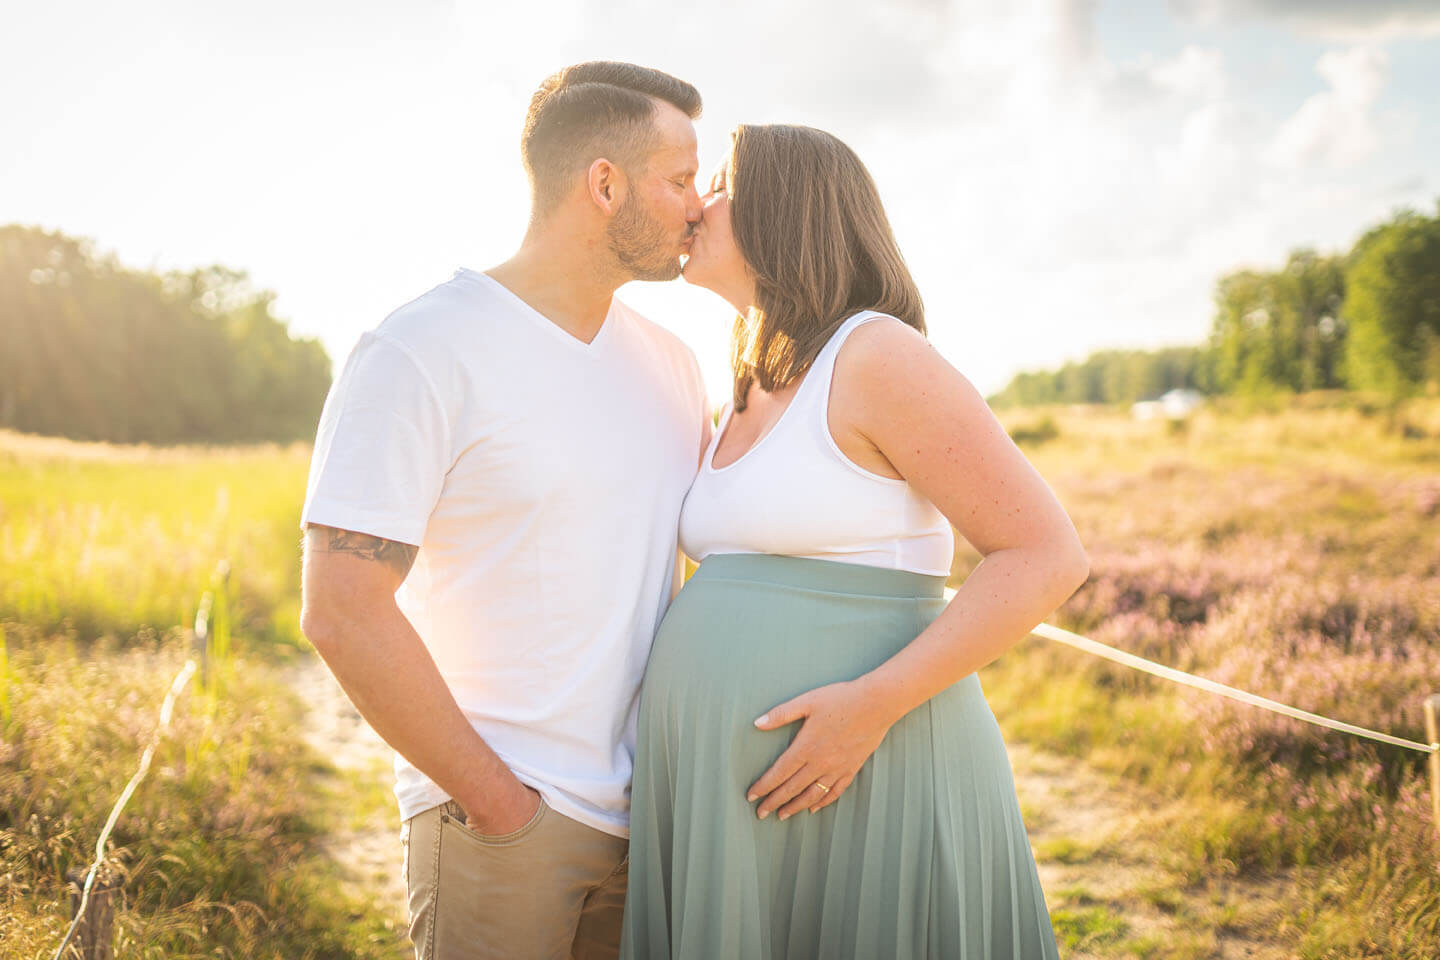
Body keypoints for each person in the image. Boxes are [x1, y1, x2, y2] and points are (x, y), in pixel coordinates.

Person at [620, 124, 1088, 959]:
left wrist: (871, 708)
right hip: (738, 798)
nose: (696, 204)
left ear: (785, 211)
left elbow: (1046, 554)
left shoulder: (876, 355)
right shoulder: (749, 374)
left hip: (870, 768)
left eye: (720, 184)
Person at [298, 62, 711, 960]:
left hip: (653, 829)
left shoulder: (674, 367)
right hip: (502, 821)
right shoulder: (422, 348)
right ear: (604, 183)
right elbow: (340, 608)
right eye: (680, 180)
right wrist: (495, 802)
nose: (699, 206)